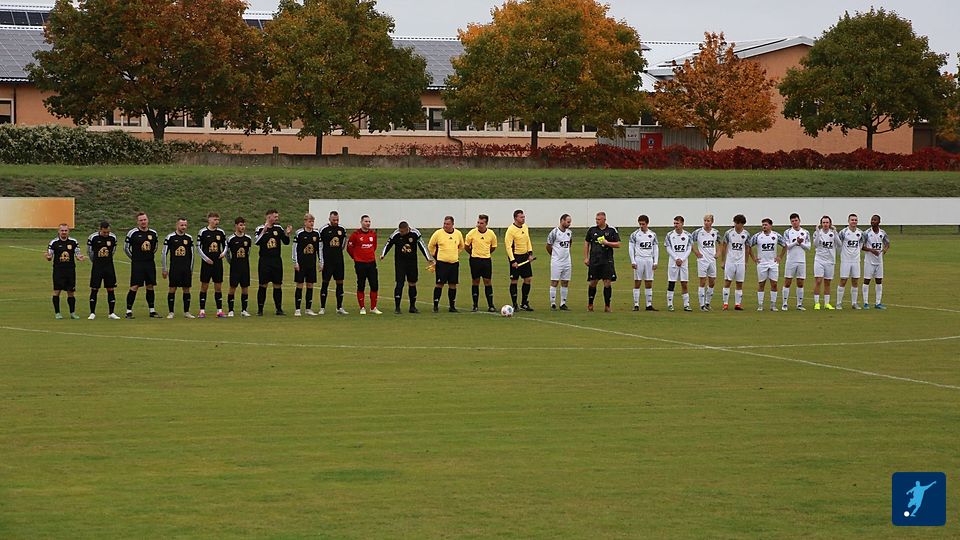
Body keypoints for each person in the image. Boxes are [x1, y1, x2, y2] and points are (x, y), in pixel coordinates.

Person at [381, 220, 432, 314]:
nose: (401, 233)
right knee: (400, 283)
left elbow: (422, 245)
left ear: (407, 229)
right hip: (400, 263)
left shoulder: (415, 233)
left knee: (412, 283)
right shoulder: (396, 234)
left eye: (402, 231)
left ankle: (412, 307)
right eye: (400, 231)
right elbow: (388, 244)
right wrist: (383, 254)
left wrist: (428, 258)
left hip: (412, 262)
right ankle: (397, 308)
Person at [254, 209, 293, 316]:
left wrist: (287, 233)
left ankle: (279, 309)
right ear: (269, 217)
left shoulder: (278, 228)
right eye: (275, 217)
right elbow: (256, 242)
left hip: (276, 260)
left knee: (277, 284)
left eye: (277, 216)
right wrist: (263, 232)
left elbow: (286, 242)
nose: (277, 218)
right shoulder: (260, 228)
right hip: (264, 261)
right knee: (263, 285)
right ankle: (260, 310)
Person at [124, 212, 161, 318]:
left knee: (150, 286)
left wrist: (148, 256)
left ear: (147, 220)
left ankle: (152, 310)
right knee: (134, 286)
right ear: (137, 222)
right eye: (141, 220)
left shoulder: (153, 233)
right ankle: (128, 311)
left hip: (150, 263)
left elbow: (155, 247)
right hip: (138, 264)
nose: (143, 222)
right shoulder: (132, 233)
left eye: (145, 219)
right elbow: (126, 248)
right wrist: (135, 258)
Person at [583, 211, 621, 312]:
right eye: (596, 219)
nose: (597, 221)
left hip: (607, 261)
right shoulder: (592, 230)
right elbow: (586, 243)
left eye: (599, 219)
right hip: (594, 260)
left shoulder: (611, 230)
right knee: (593, 282)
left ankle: (607, 306)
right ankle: (590, 304)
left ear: (604, 220)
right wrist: (586, 257)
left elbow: (618, 244)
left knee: (607, 282)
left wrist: (607, 243)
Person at [46, 223, 84, 319]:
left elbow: (77, 253)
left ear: (68, 231)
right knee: (57, 291)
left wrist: (79, 257)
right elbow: (50, 255)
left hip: (70, 270)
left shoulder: (73, 242)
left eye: (65, 230)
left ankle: (72, 313)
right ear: (58, 231)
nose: (64, 232)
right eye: (62, 230)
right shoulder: (54, 242)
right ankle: (57, 313)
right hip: (58, 271)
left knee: (71, 292)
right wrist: (48, 257)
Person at [748, 218, 786, 311]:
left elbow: (785, 245)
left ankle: (773, 305)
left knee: (774, 284)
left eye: (766, 225)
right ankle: (760, 305)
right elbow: (748, 246)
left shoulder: (776, 235)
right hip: (762, 264)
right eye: (763, 225)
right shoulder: (757, 236)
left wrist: (780, 257)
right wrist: (754, 258)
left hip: (773, 263)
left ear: (770, 225)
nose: (764, 226)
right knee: (761, 284)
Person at [428, 215, 465, 312]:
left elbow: (461, 246)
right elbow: (431, 246)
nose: (445, 225)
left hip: (454, 263)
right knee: (439, 284)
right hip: (442, 264)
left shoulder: (458, 233)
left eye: (448, 224)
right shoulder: (438, 233)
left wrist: (455, 254)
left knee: (453, 284)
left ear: (452, 224)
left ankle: (452, 306)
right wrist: (435, 256)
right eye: (444, 223)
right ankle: (435, 305)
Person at [347, 214, 381, 314]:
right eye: (366, 221)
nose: (368, 223)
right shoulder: (355, 234)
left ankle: (373, 307)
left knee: (374, 285)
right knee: (361, 284)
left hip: (371, 263)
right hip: (360, 263)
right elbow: (349, 248)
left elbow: (374, 246)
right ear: (361, 222)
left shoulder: (373, 234)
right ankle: (362, 307)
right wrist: (356, 257)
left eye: (369, 221)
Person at [162, 217, 195, 319]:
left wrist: (191, 269)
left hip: (186, 268)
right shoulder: (170, 237)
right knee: (172, 288)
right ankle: (171, 312)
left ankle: (186, 312)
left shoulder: (189, 238)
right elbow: (164, 253)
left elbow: (192, 255)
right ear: (177, 225)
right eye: (182, 225)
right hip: (174, 268)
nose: (184, 227)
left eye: (185, 225)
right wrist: (164, 268)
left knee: (186, 289)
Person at [196, 212, 227, 318]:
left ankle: (219, 311)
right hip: (206, 263)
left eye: (218, 220)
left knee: (218, 287)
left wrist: (223, 253)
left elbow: (225, 245)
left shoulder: (221, 232)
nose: (216, 222)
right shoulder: (203, 232)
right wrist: (206, 259)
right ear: (209, 219)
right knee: (204, 286)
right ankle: (202, 311)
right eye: (214, 219)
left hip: (218, 263)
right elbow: (198, 247)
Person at [464, 214, 498, 312]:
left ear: (486, 224)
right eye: (478, 222)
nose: (479, 224)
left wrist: (486, 253)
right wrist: (473, 253)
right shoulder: (472, 233)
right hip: (475, 260)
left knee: (487, 281)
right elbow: (466, 246)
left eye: (481, 223)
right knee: (475, 281)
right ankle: (475, 305)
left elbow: (493, 247)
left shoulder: (491, 234)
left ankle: (491, 305)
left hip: (486, 260)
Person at [86, 221, 120, 320]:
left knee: (110, 288)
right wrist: (96, 262)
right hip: (97, 267)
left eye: (107, 232)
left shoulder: (113, 237)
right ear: (100, 229)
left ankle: (111, 313)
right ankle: (92, 313)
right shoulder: (93, 237)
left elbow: (112, 251)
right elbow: (90, 252)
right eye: (104, 232)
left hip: (109, 266)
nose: (106, 234)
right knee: (94, 288)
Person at [292, 213, 323, 316]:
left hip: (311, 263)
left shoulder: (316, 234)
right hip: (301, 264)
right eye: (310, 221)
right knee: (300, 284)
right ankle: (297, 309)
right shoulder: (299, 233)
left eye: (312, 221)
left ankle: (308, 309)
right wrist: (295, 262)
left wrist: (321, 262)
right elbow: (294, 249)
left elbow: (319, 249)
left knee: (310, 285)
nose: (311, 223)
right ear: (305, 222)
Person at [318, 211, 348, 315]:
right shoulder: (323, 230)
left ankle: (339, 307)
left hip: (339, 261)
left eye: (337, 220)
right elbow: (320, 246)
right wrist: (321, 261)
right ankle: (322, 308)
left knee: (340, 283)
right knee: (325, 283)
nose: (336, 222)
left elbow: (343, 244)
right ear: (329, 219)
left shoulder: (342, 229)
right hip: (328, 261)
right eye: (334, 220)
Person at [504, 209, 535, 310]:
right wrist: (512, 261)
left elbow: (528, 240)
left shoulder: (525, 227)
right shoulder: (511, 230)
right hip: (516, 257)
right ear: (515, 218)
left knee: (528, 279)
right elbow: (508, 246)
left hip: (525, 256)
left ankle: (524, 303)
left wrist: (530, 253)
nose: (523, 219)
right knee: (514, 280)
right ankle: (515, 304)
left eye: (524, 217)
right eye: (521, 217)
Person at [718, 214, 749, 311]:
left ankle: (737, 304)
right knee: (727, 282)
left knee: (739, 283)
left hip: (740, 262)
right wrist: (723, 261)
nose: (736, 225)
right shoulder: (729, 233)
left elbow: (747, 248)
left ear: (742, 224)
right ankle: (725, 304)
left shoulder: (746, 234)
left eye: (738, 223)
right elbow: (724, 246)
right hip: (730, 261)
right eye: (735, 222)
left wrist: (746, 262)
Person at [781, 213, 811, 311]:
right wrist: (796, 242)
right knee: (787, 282)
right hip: (791, 260)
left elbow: (808, 247)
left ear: (799, 220)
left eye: (796, 220)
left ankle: (799, 304)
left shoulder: (805, 232)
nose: (794, 222)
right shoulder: (787, 232)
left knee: (800, 283)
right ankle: (784, 304)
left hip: (801, 260)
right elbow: (787, 246)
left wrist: (801, 244)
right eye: (792, 221)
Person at [629, 215, 659, 311]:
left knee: (649, 282)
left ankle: (649, 305)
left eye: (643, 224)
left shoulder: (652, 234)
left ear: (647, 223)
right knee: (637, 281)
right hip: (639, 259)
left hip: (649, 259)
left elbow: (656, 248)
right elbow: (631, 248)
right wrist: (633, 261)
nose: (641, 226)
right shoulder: (635, 234)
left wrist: (655, 262)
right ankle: (636, 304)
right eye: (640, 224)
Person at [836, 214, 865, 310]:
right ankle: (838, 303)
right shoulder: (843, 232)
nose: (854, 222)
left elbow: (861, 243)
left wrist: (857, 252)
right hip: (845, 260)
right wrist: (841, 254)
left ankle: (854, 303)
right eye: (852, 220)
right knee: (843, 280)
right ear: (848, 221)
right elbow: (838, 244)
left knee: (855, 281)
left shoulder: (860, 233)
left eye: (855, 220)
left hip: (856, 260)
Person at [225, 217, 253, 317]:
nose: (243, 227)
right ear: (236, 226)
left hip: (245, 266)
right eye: (241, 225)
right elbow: (227, 253)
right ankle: (230, 310)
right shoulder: (231, 239)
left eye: (244, 225)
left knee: (245, 287)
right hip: (235, 267)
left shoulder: (248, 238)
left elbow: (248, 252)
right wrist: (231, 262)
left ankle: (244, 310)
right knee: (233, 287)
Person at [663, 216, 692, 312]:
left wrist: (682, 259)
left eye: (677, 223)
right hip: (673, 262)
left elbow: (689, 248)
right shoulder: (669, 235)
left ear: (682, 223)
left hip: (684, 263)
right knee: (671, 282)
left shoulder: (688, 235)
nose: (675, 225)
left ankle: (686, 304)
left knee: (684, 283)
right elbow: (668, 248)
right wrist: (676, 258)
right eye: (674, 223)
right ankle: (670, 304)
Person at [862, 214, 890, 309]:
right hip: (869, 261)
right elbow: (861, 246)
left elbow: (887, 243)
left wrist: (885, 249)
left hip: (879, 261)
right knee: (867, 280)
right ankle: (865, 303)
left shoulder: (882, 233)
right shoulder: (866, 233)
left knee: (879, 281)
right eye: (872, 220)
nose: (873, 221)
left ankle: (878, 303)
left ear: (879, 222)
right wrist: (871, 250)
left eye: (875, 220)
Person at [691, 214, 719, 311]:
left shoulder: (715, 232)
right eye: (705, 221)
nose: (706, 222)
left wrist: (718, 253)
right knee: (702, 282)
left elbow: (721, 243)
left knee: (712, 282)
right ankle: (701, 305)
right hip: (702, 260)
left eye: (708, 221)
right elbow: (689, 241)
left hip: (712, 260)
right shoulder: (698, 232)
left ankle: (707, 303)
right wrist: (696, 252)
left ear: (712, 222)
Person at [545, 214, 573, 310]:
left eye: (570, 222)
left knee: (565, 282)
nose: (569, 224)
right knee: (554, 281)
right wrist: (554, 255)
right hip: (556, 261)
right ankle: (553, 303)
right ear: (562, 221)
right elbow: (548, 245)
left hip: (567, 261)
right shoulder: (554, 232)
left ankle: (563, 303)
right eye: (568, 222)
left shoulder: (569, 232)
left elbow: (570, 243)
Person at [812, 216, 839, 310]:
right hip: (819, 260)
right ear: (821, 224)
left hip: (830, 261)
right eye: (823, 222)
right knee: (818, 280)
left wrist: (835, 232)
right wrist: (817, 232)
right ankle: (817, 303)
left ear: (830, 224)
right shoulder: (817, 233)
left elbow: (839, 244)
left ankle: (827, 303)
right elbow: (815, 245)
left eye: (827, 222)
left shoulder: (833, 233)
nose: (825, 224)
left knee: (827, 282)